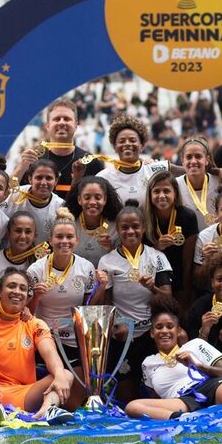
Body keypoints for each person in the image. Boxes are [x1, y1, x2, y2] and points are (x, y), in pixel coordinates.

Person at [0, 268, 79, 425]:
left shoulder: (34, 323)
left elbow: (50, 353)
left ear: (28, 296)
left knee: (64, 374)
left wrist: (59, 375)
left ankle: (45, 412)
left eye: (22, 288)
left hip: (24, 394)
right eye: (12, 286)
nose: (17, 292)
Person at [125, 299, 222, 420]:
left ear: (178, 330)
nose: (164, 331)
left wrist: (198, 366)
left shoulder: (196, 344)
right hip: (181, 401)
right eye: (159, 327)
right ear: (152, 333)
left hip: (210, 387)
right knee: (132, 407)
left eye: (170, 326)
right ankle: (185, 420)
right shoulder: (148, 363)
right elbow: (156, 398)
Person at [98, 202, 174, 400]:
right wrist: (116, 324)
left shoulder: (157, 257)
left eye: (135, 226)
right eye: (124, 227)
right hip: (124, 335)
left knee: (158, 388)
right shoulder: (107, 261)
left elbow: (168, 299)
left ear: (143, 228)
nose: (130, 231)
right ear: (117, 230)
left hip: (152, 334)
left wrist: (152, 288)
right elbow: (107, 303)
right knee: (127, 396)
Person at [27, 209, 107, 365]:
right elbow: (26, 313)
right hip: (43, 336)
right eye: (59, 237)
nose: (64, 241)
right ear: (50, 240)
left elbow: (88, 308)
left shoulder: (86, 267)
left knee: (75, 386)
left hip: (74, 337)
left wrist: (102, 287)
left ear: (77, 240)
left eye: (69, 237)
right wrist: (36, 297)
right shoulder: (35, 270)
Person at [10, 98, 104, 198]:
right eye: (57, 119)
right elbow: (8, 195)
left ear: (76, 125)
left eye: (67, 119)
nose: (62, 122)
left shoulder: (90, 162)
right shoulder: (32, 159)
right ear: (47, 125)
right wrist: (21, 167)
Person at [144, 170, 199, 309]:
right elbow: (139, 258)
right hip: (150, 281)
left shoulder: (187, 217)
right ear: (150, 195)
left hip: (180, 278)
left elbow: (188, 261)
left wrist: (186, 292)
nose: (161, 196)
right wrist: (157, 247)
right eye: (156, 191)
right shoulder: (143, 218)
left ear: (175, 193)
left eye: (166, 191)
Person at [92, 115, 173, 208]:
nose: (127, 143)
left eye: (132, 140)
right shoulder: (103, 177)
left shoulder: (153, 169)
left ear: (141, 145)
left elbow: (186, 172)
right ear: (115, 147)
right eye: (122, 141)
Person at [0, 159, 65, 244]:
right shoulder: (15, 194)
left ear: (56, 181)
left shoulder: (60, 207)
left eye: (49, 178)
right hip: (7, 252)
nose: (43, 182)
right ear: (30, 179)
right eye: (39, 177)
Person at [64, 176, 121, 267]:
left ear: (105, 199)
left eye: (98, 198)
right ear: (79, 199)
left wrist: (111, 249)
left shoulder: (114, 226)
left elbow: (122, 261)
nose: (92, 202)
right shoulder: (69, 224)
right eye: (87, 198)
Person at [0, 211, 44, 288]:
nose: (23, 236)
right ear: (8, 233)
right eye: (18, 231)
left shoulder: (38, 265)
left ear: (34, 236)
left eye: (28, 232)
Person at [176, 137, 220, 226]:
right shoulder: (175, 185)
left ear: (207, 160)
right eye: (188, 157)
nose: (193, 161)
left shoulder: (219, 182)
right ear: (182, 160)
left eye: (198, 156)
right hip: (189, 239)